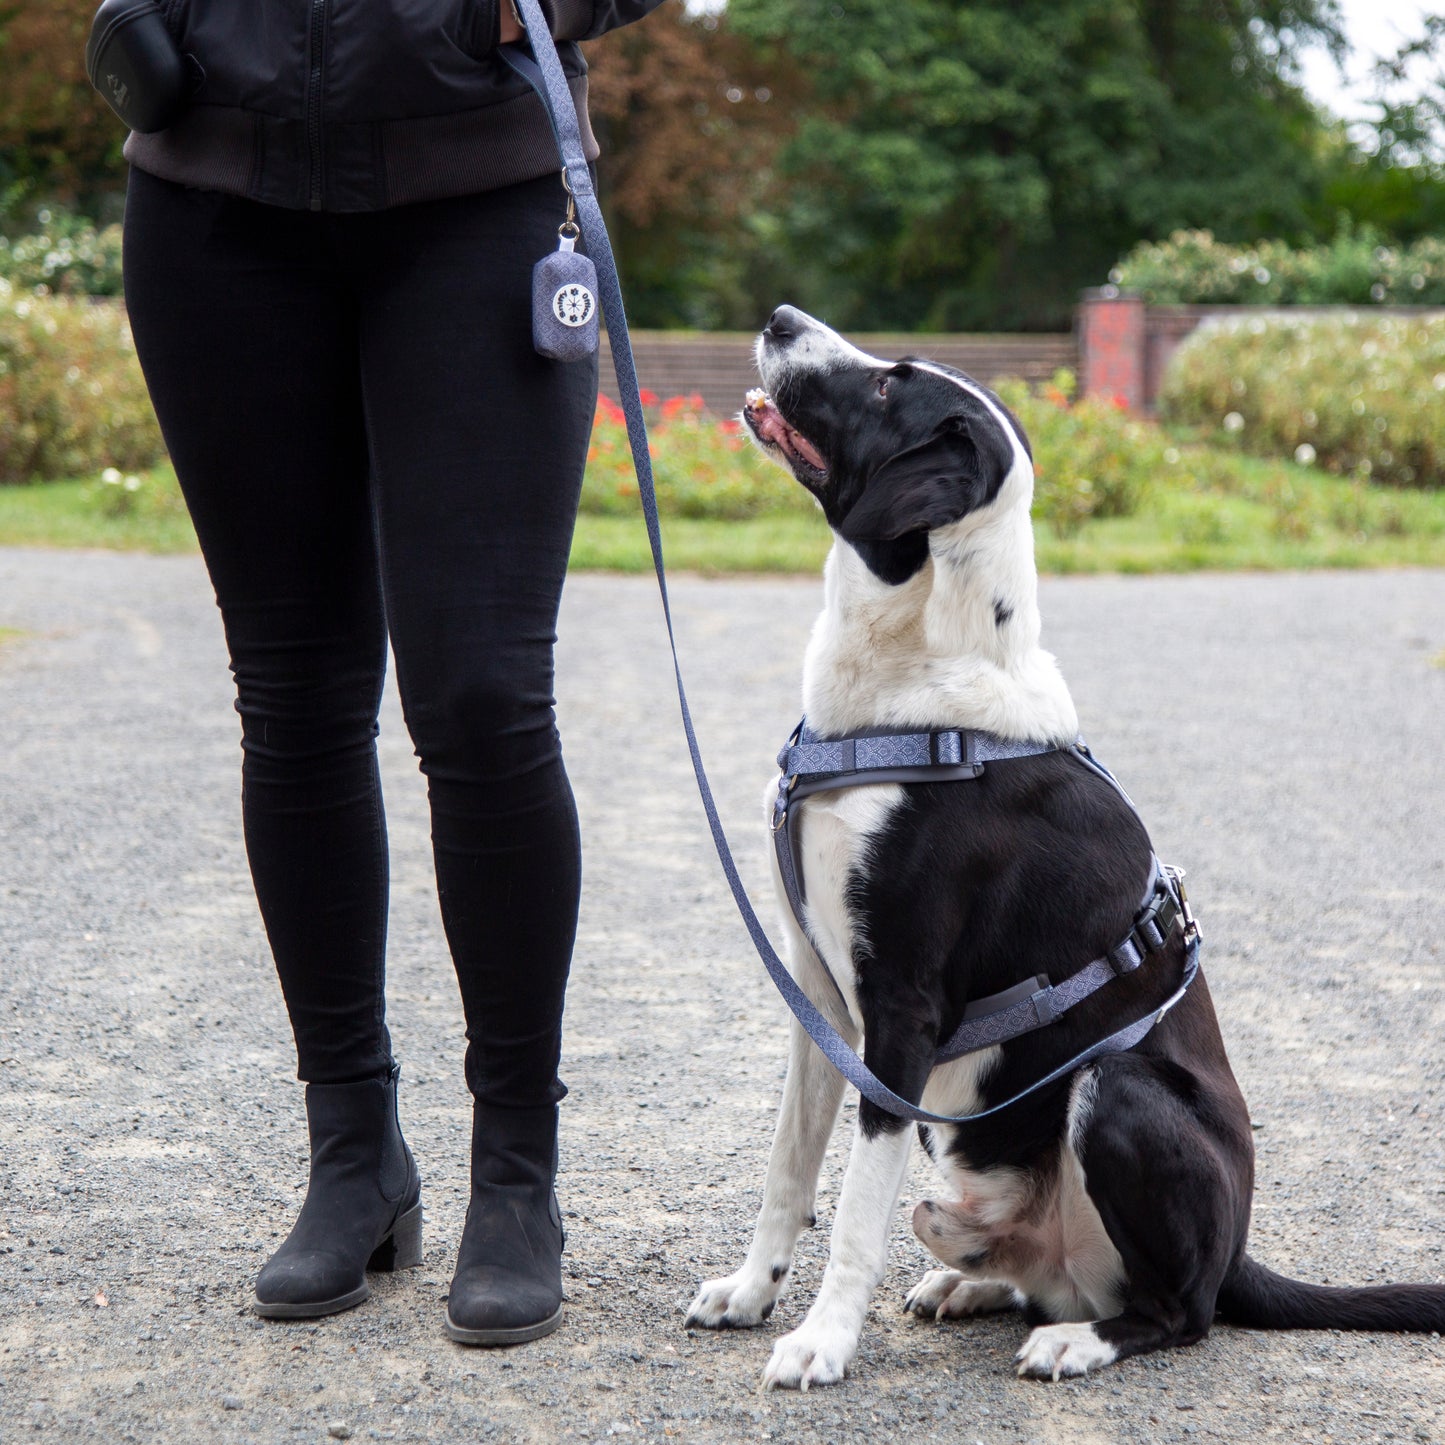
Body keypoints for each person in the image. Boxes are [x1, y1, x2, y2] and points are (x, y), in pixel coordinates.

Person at [116, 0, 664, 1344]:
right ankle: (354, 1156)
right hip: (210, 191)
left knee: (482, 697)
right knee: (293, 697)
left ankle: (515, 1176)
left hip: (477, 190)